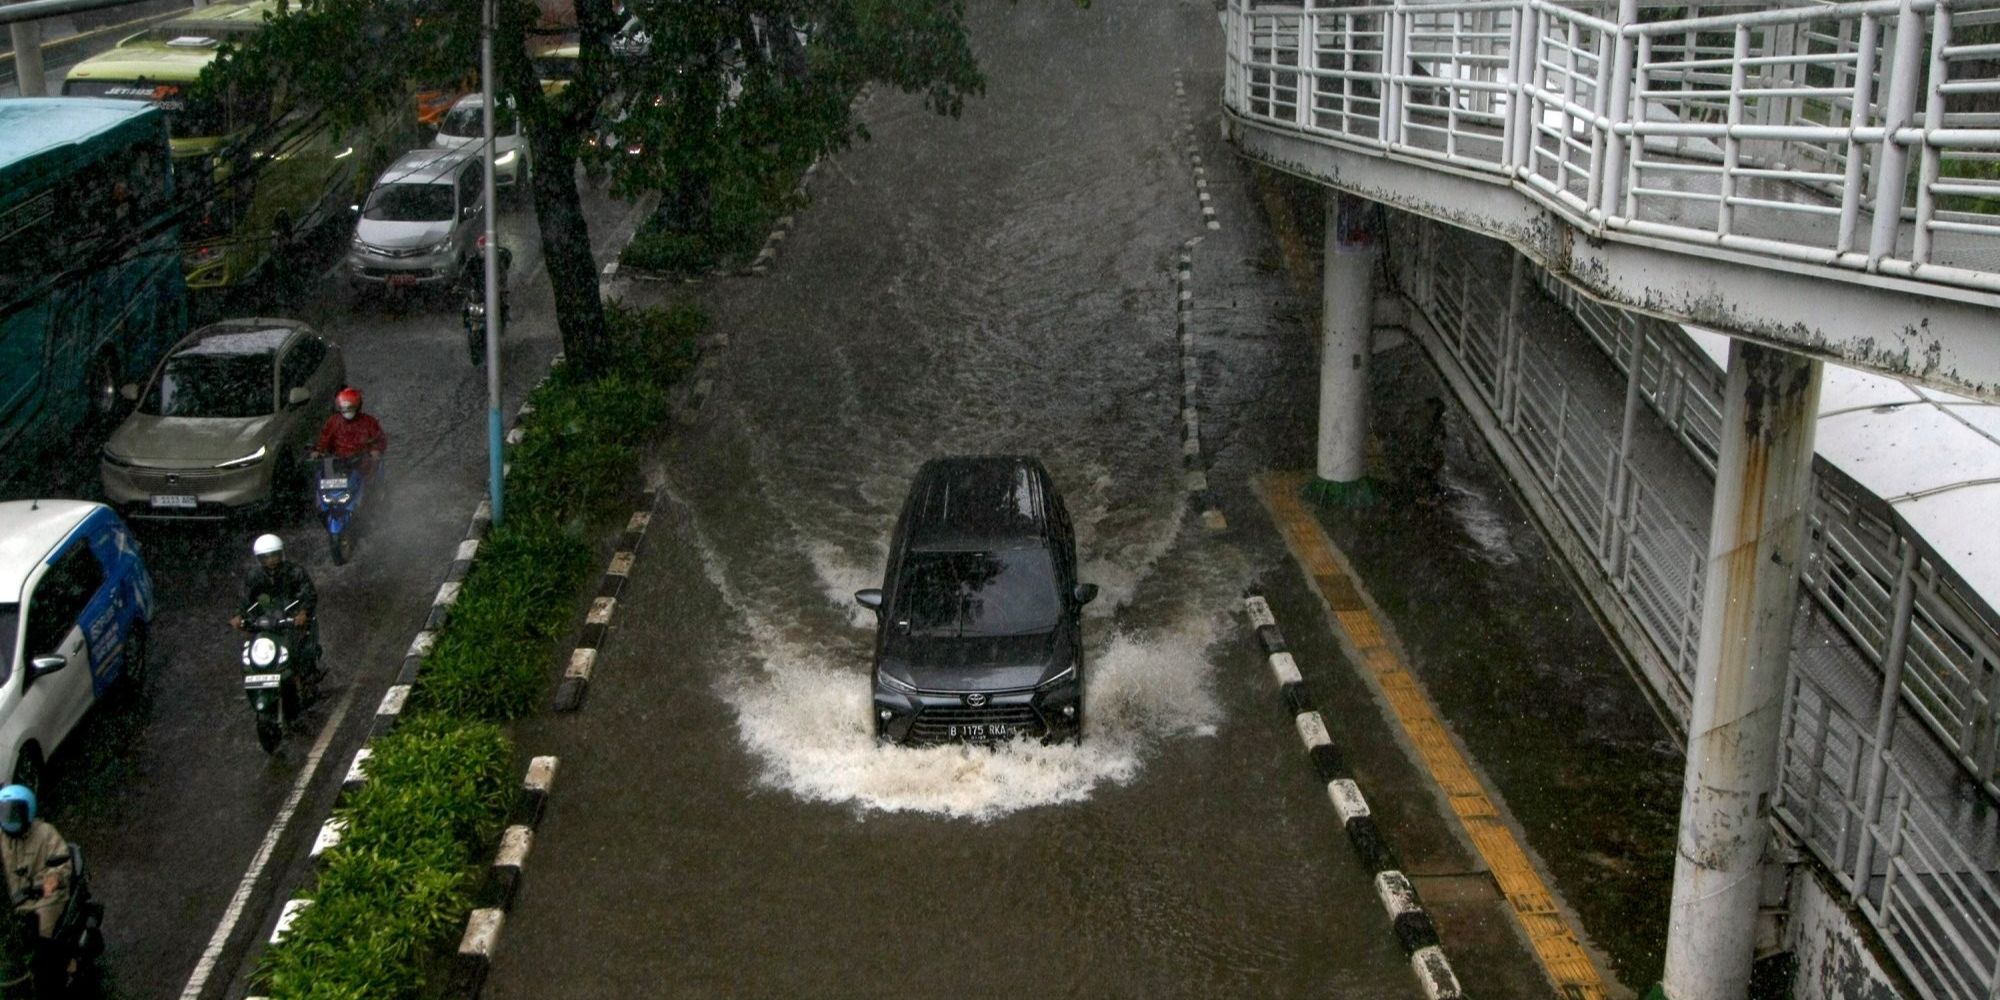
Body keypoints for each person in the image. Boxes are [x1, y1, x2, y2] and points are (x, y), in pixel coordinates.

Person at [0, 784, 70, 996]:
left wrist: (52, 880)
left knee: (41, 936)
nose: (8, 819)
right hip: (14, 899)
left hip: (43, 898)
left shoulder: (45, 833)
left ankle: (57, 973)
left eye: (13, 813)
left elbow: (61, 864)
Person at [231, 535, 321, 674]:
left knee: (302, 652)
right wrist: (238, 615)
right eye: (265, 557)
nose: (271, 560)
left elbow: (308, 594)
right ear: (259, 559)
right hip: (264, 623)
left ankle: (306, 676)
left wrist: (303, 612)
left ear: (281, 554)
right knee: (250, 653)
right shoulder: (254, 576)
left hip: (291, 622)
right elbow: (244, 599)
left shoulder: (295, 572)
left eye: (274, 555)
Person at [311, 387, 388, 478]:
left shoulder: (368, 422)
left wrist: (375, 450)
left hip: (363, 464)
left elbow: (379, 439)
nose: (348, 411)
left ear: (357, 406)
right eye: (344, 408)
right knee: (322, 478)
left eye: (351, 407)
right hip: (339, 463)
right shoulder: (333, 422)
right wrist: (318, 451)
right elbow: (324, 439)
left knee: (370, 480)